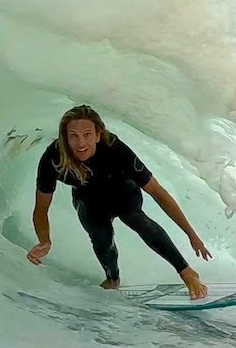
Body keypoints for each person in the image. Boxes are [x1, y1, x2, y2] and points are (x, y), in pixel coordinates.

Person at [26, 105, 211, 300]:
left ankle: (186, 271)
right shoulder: (52, 159)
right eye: (73, 135)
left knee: (136, 219)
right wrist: (44, 241)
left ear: (98, 135)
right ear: (65, 137)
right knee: (100, 236)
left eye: (87, 134)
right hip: (88, 199)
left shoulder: (115, 149)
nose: (81, 143)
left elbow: (157, 192)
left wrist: (192, 235)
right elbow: (41, 209)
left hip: (122, 191)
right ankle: (113, 279)